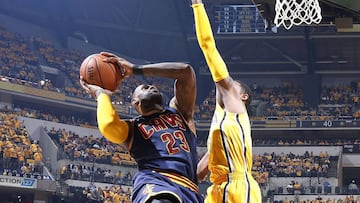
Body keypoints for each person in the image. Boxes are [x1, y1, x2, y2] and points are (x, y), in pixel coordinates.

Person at [80, 52, 203, 203]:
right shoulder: (133, 128)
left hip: (190, 191)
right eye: (144, 87)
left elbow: (186, 72)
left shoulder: (180, 112)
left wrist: (136, 69)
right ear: (135, 102)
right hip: (157, 182)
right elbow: (109, 126)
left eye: (151, 86)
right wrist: (101, 94)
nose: (151, 86)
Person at [190, 1, 262, 202]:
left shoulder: (236, 109)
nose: (227, 84)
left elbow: (208, 47)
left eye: (233, 84)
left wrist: (197, 5)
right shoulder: (220, 123)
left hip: (239, 187)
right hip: (218, 188)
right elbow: (200, 172)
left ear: (243, 97)